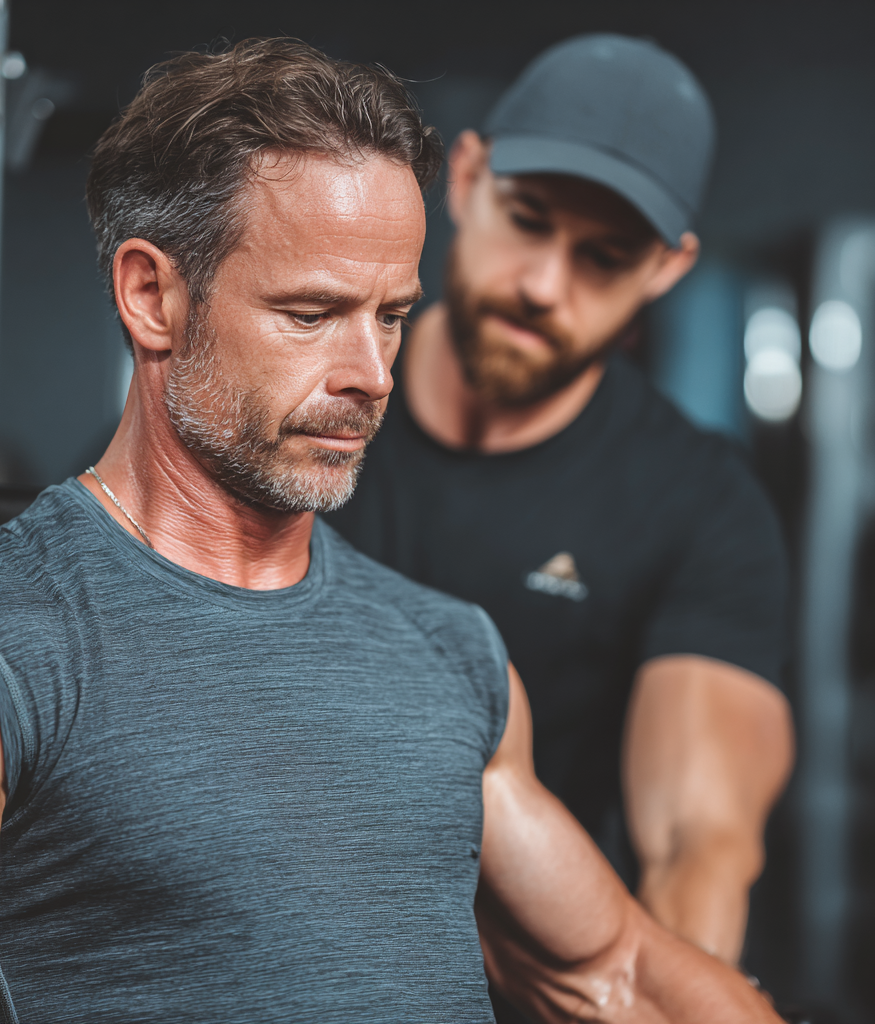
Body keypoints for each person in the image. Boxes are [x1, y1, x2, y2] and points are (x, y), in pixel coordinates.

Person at [0, 40, 779, 1024]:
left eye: (390, 316)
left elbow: (621, 976)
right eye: (311, 313)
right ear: (152, 296)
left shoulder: (451, 654)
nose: (371, 373)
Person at [325, 32, 795, 979]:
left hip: (513, 985)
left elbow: (696, 844)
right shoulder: (300, 411)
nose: (544, 285)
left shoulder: (698, 502)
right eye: (528, 219)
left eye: (604, 258)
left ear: (663, 270)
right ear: (463, 180)